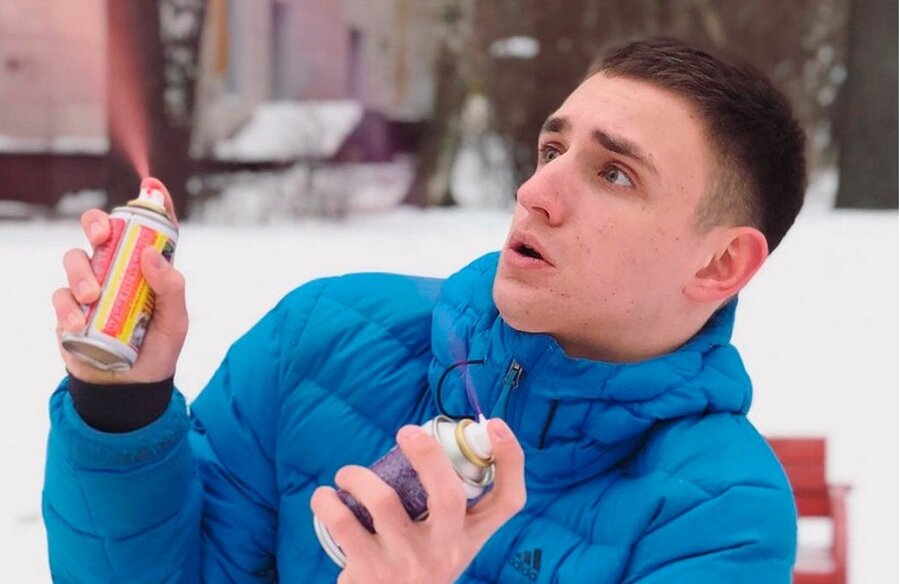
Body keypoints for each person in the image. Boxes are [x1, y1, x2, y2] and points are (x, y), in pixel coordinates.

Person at [44, 38, 806, 583]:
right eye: (551, 152)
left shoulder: (718, 516)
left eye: (614, 174)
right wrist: (122, 408)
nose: (535, 193)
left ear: (721, 264)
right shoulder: (322, 337)